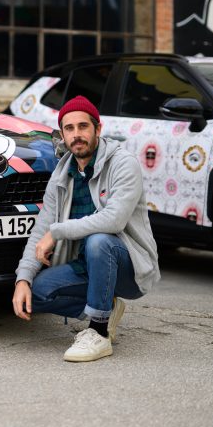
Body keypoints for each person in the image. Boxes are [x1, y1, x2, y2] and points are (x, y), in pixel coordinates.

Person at [12, 95, 160, 362]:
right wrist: (22, 278)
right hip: (84, 266)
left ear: (98, 129)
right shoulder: (61, 175)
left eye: (83, 127)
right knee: (35, 293)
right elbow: (40, 228)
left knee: (99, 241)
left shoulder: (123, 163)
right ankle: (106, 306)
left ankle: (99, 332)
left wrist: (57, 232)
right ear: (63, 135)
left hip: (126, 265)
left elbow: (113, 220)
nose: (76, 135)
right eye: (69, 129)